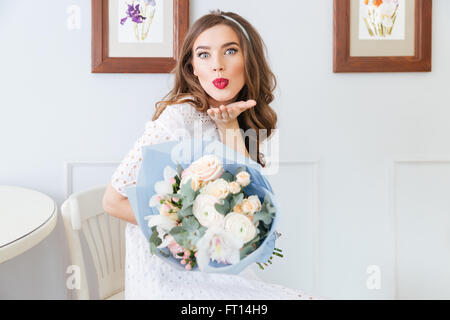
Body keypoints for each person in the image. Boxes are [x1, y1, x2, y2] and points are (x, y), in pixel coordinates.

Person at [103, 9, 320, 300]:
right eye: (204, 55)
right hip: (168, 274)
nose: (217, 65)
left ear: (248, 60)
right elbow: (112, 201)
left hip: (215, 266)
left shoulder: (235, 116)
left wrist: (229, 125)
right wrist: (184, 236)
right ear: (192, 67)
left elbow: (249, 202)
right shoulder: (178, 118)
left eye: (230, 51)